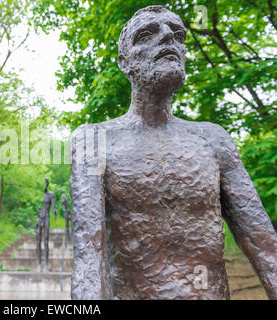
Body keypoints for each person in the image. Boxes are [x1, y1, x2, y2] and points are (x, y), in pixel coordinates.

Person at [70, 5, 277, 299]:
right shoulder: (94, 140)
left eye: (178, 34)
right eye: (147, 34)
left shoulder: (213, 139)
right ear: (124, 61)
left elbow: (264, 245)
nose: (169, 36)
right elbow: (88, 257)